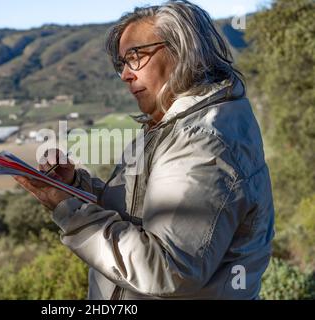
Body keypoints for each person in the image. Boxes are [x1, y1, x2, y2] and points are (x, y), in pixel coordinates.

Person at [14, 0, 275, 300]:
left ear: (182, 51)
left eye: (136, 57)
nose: (125, 74)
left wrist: (70, 212)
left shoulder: (201, 142)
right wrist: (74, 188)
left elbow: (166, 270)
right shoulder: (166, 126)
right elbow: (133, 212)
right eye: (122, 63)